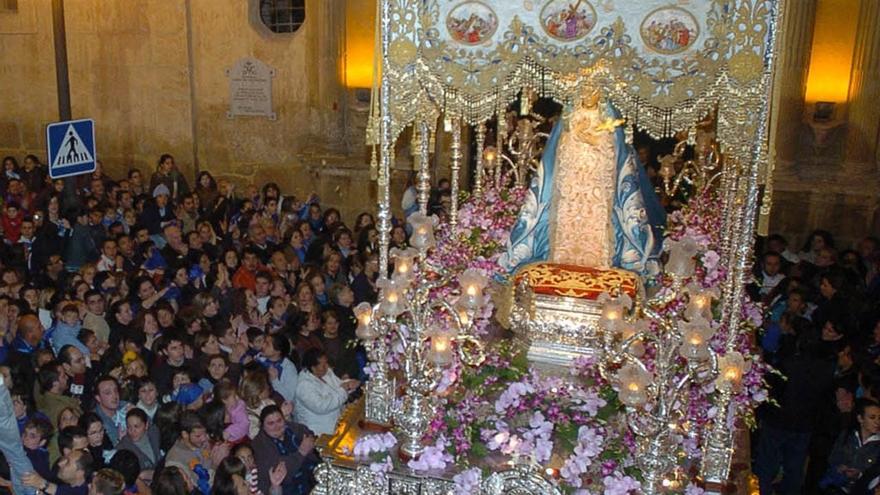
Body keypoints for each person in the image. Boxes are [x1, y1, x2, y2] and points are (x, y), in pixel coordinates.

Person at [251, 405, 318, 495]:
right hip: (286, 490)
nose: (276, 426)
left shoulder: (295, 429)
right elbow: (280, 472)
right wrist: (301, 453)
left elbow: (311, 437)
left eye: (279, 421)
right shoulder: (259, 445)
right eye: (271, 423)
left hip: (313, 481)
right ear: (262, 426)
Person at [294, 349, 356, 436]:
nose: (327, 367)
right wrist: (343, 390)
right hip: (319, 432)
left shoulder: (326, 372)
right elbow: (322, 406)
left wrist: (350, 384)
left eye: (326, 363)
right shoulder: (304, 386)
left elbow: (339, 385)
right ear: (313, 368)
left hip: (337, 424)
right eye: (323, 365)